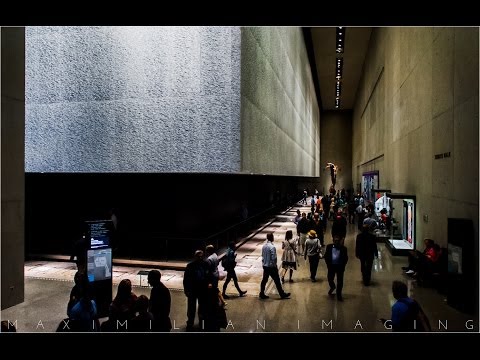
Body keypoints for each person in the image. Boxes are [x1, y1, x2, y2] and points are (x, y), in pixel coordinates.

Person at [183, 250, 209, 331]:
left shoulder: (205, 264)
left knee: (202, 307)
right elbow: (186, 279)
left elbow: (208, 276)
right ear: (195, 257)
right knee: (191, 308)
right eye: (198, 256)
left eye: (201, 256)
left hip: (202, 290)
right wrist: (186, 290)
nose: (200, 258)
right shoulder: (190, 266)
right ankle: (190, 323)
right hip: (193, 290)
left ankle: (201, 322)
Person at [259, 233, 290, 300]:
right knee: (277, 280)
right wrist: (274, 266)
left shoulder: (264, 246)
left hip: (265, 266)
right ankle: (282, 294)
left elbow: (263, 256)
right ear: (272, 238)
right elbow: (274, 258)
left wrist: (264, 263)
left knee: (264, 280)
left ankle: (261, 293)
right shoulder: (272, 247)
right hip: (271, 267)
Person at [324, 235, 348, 301]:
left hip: (340, 267)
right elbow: (326, 256)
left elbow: (346, 258)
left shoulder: (344, 249)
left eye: (338, 241)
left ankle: (339, 294)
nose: (336, 242)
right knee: (330, 278)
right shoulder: (329, 247)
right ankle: (332, 286)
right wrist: (328, 265)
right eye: (335, 241)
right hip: (331, 266)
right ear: (333, 241)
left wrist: (343, 265)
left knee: (340, 281)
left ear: (340, 241)